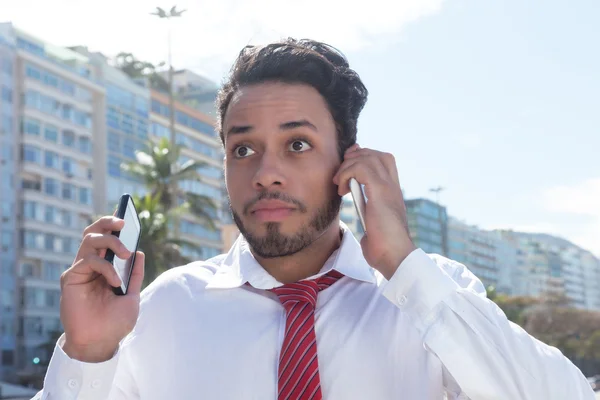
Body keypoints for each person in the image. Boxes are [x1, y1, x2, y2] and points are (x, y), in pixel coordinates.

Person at [33, 39, 593, 400]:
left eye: (297, 143)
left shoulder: (431, 297)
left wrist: (403, 264)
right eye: (243, 150)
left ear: (348, 160)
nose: (267, 173)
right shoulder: (161, 311)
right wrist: (88, 351)